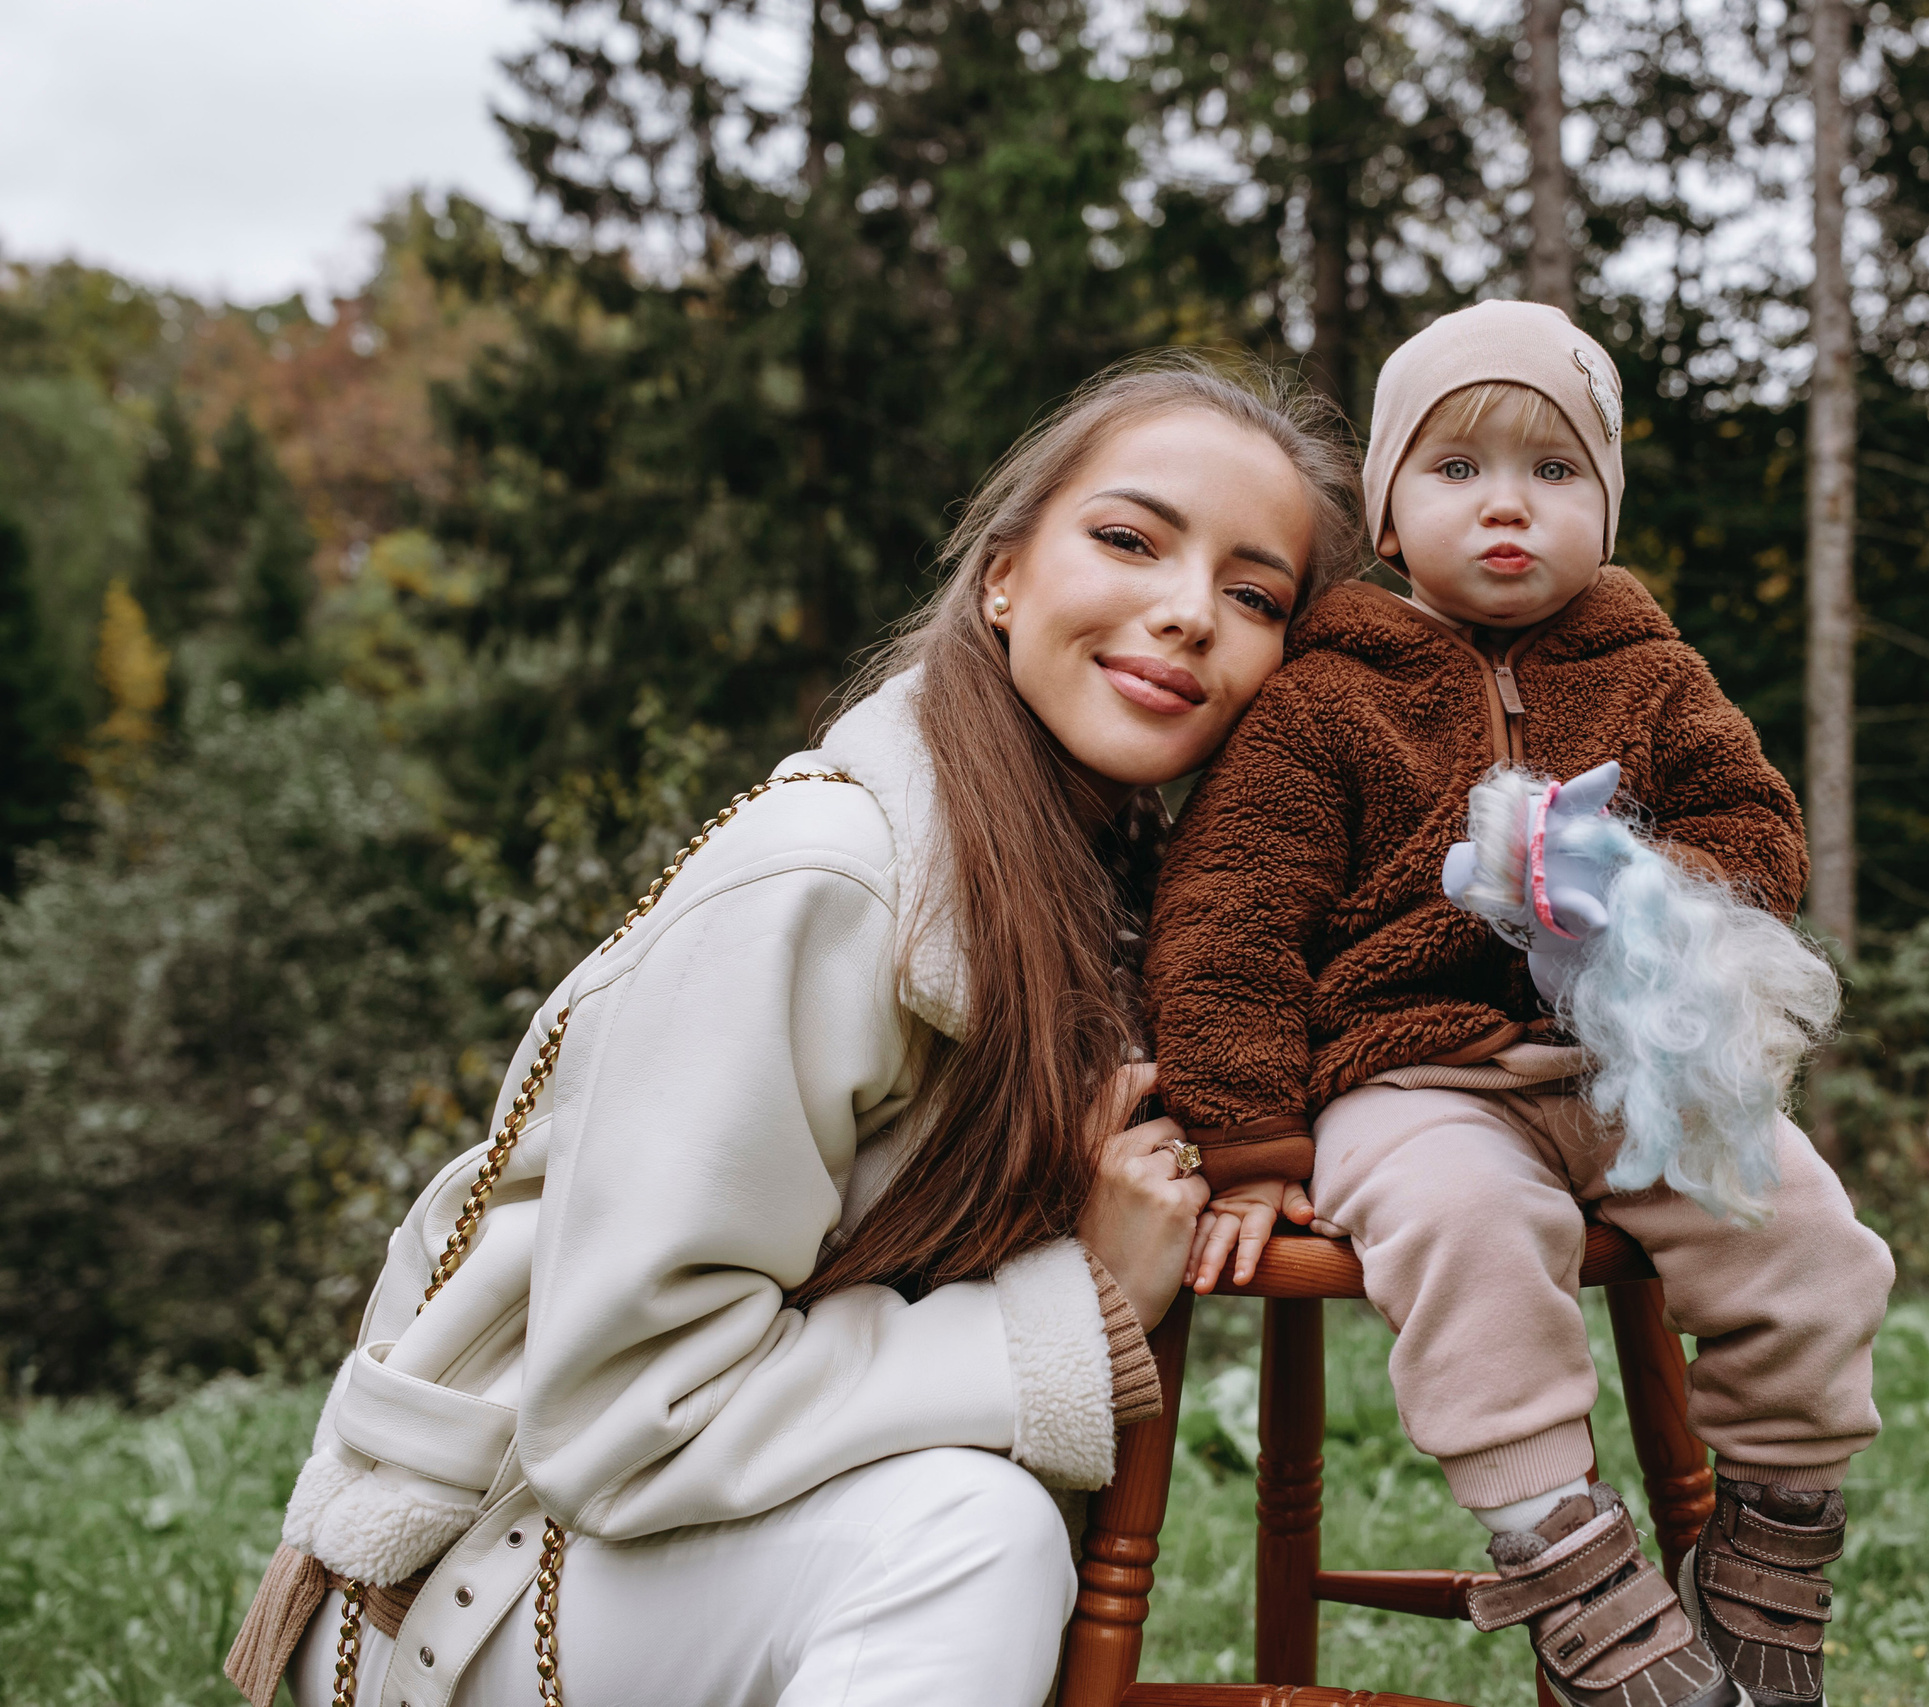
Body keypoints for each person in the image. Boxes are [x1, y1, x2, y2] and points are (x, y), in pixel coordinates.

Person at [227, 354, 1366, 1707]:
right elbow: (623, 1412)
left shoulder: (1117, 905)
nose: (1188, 615)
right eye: (1128, 540)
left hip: (672, 1553)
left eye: (1255, 596)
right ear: (1002, 576)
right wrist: (1082, 1308)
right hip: (483, 1579)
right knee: (968, 1539)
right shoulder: (836, 878)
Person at [1146, 301, 1896, 1707]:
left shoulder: (1652, 673)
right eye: (1457, 470)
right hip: (1411, 1081)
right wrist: (1246, 1143)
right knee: (1474, 1234)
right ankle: (1574, 1571)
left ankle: (1767, 1569)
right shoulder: (1325, 699)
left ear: (1604, 510)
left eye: (1556, 472)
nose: (1507, 506)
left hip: (1626, 1067)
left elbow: (1762, 836)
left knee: (1809, 1235)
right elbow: (1226, 920)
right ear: (1385, 506)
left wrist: (1641, 883)